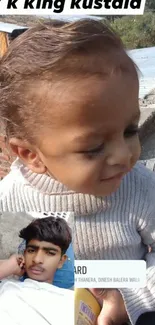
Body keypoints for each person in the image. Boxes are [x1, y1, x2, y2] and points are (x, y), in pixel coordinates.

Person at [0, 18, 155, 325]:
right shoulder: (11, 197)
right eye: (94, 147)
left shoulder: (140, 188)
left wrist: (131, 299)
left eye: (129, 129)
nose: (125, 156)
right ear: (32, 155)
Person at [0, 216, 72, 283]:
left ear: (61, 261)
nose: (37, 260)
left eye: (50, 253)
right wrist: (9, 266)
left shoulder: (67, 296)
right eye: (31, 251)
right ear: (24, 254)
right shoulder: (7, 283)